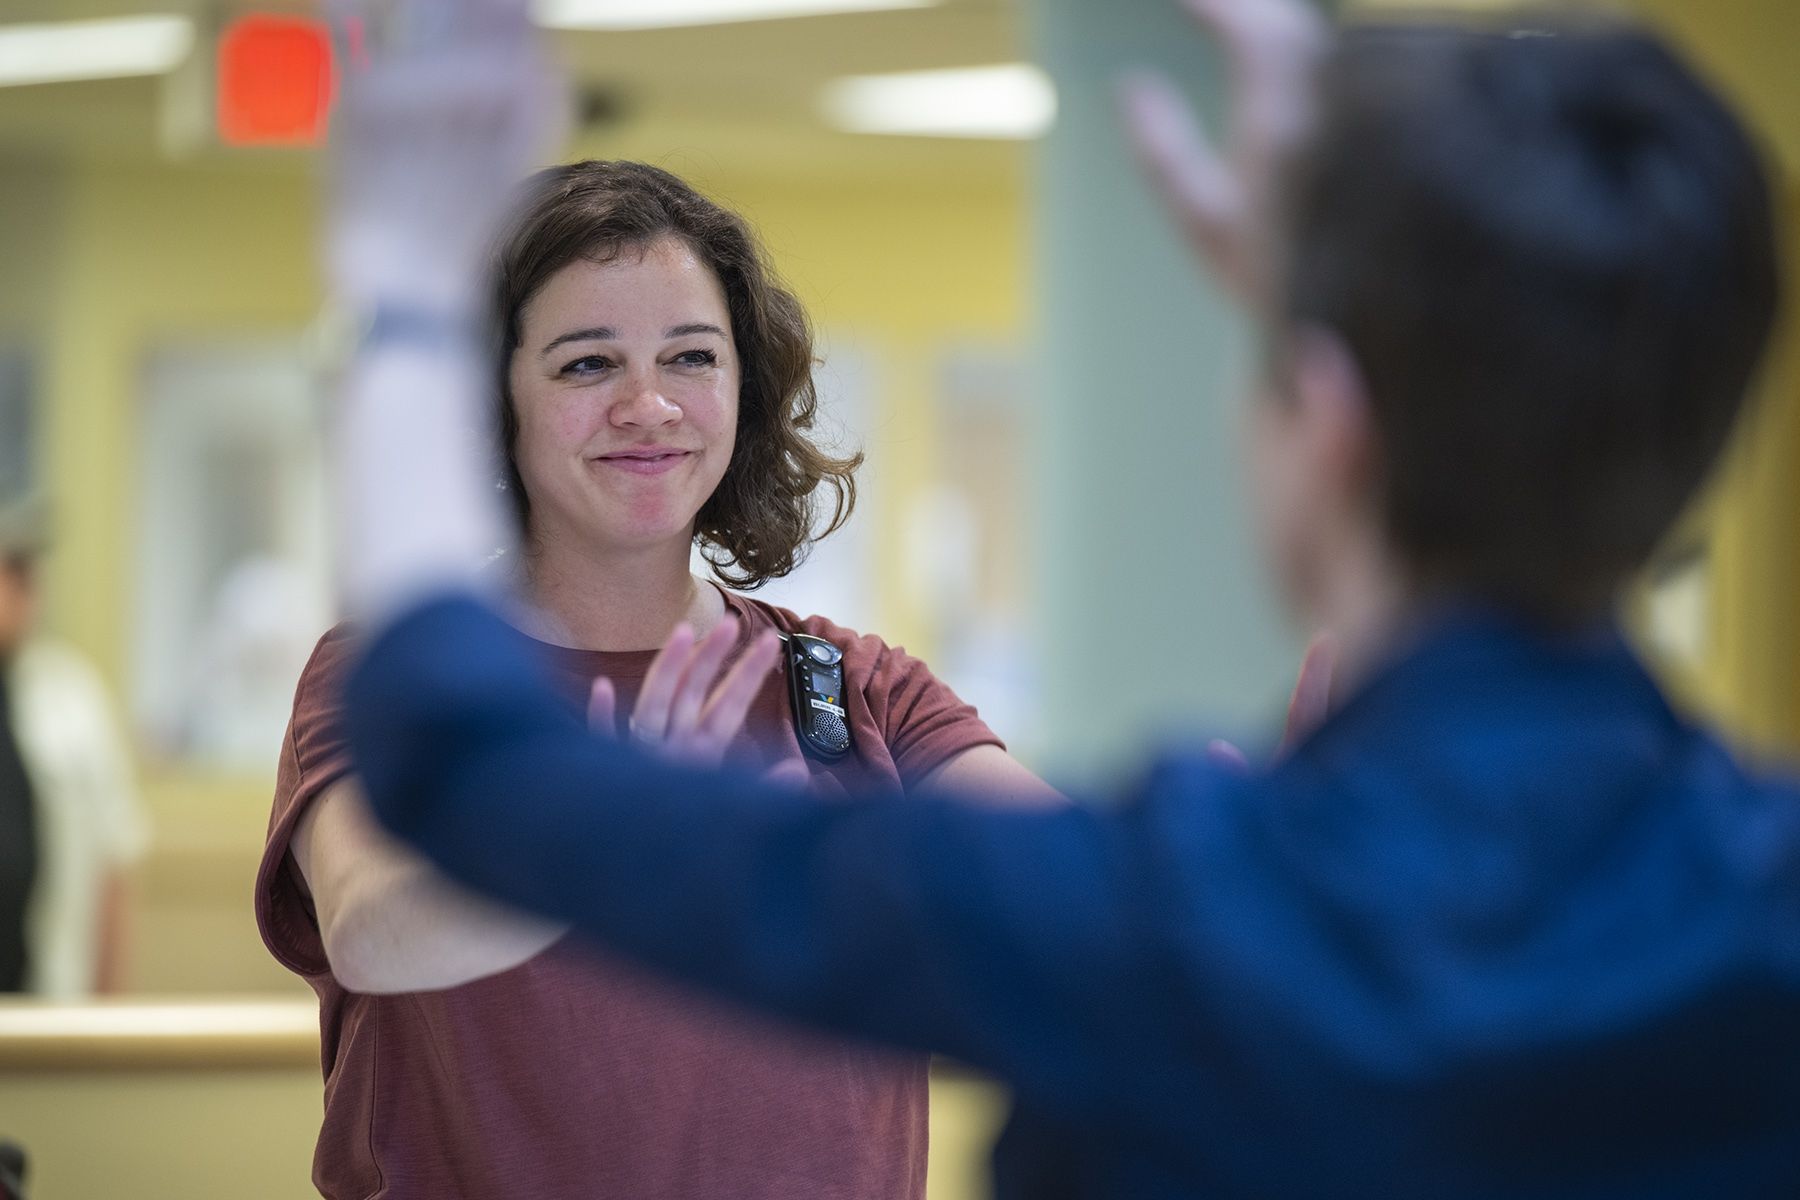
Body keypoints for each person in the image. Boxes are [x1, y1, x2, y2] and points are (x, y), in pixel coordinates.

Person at [336, 0, 1795, 1195]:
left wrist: (406, 291)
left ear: (1329, 421)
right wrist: (1377, 311)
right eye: (587, 362)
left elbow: (465, 766)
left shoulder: (1166, 920)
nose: (647, 402)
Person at [255, 75, 1088, 1200]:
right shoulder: (398, 676)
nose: (649, 406)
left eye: (692, 357)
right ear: (490, 401)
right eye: (588, 363)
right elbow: (373, 934)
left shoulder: (849, 687)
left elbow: (1067, 885)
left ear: (745, 389)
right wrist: (626, 824)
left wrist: (1299, 803)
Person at [0, 506, 146, 998]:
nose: (19, 590)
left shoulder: (73, 697)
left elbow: (115, 869)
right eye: (7, 570)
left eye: (25, 574)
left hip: (48, 999)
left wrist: (102, 1019)